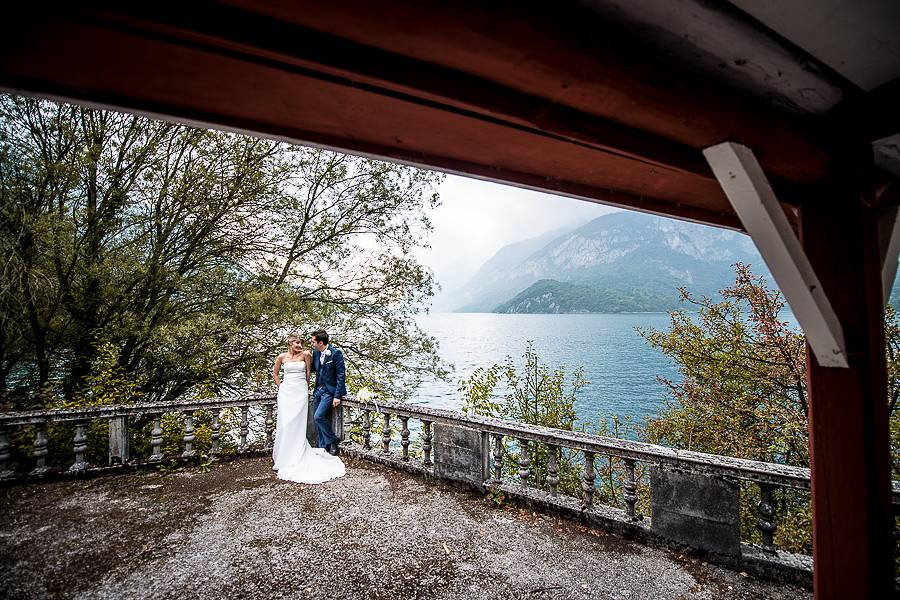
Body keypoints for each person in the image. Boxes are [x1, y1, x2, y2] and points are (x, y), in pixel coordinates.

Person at [271, 333, 345, 483]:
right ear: (290, 343)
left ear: (320, 342)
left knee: (310, 419)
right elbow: (275, 373)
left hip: (308, 392)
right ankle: (286, 454)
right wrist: (282, 387)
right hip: (290, 392)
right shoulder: (286, 356)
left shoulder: (316, 354)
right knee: (285, 423)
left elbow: (311, 374)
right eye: (297, 343)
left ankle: (329, 443)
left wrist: (336, 395)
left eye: (306, 342)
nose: (301, 345)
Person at [310, 330, 345, 456]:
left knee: (318, 417)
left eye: (313, 341)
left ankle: (333, 440)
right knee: (319, 420)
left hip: (329, 392)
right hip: (318, 391)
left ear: (320, 342)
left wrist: (337, 396)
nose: (312, 344)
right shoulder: (315, 353)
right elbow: (313, 369)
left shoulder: (335, 354)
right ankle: (322, 447)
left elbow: (341, 376)